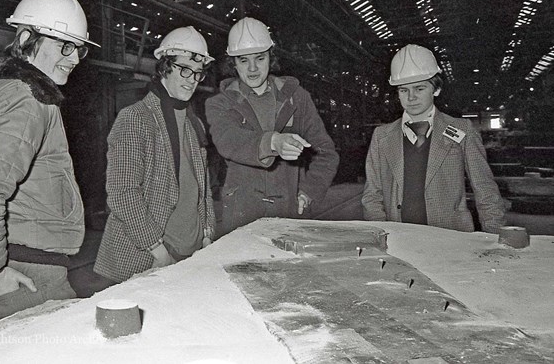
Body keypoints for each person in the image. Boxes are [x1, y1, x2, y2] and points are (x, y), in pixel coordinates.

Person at [0, 0, 99, 326]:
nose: (73, 58)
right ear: (27, 38)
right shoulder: (30, 100)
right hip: (28, 272)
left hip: (9, 261)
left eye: (78, 49)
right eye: (64, 46)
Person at [94, 26, 216, 284]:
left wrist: (207, 235)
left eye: (198, 73)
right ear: (165, 67)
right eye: (184, 69)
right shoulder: (135, 118)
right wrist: (158, 252)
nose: (192, 79)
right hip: (150, 256)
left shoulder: (195, 123)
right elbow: (122, 193)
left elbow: (202, 190)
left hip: (191, 253)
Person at [205, 17, 339, 238]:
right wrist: (273, 142)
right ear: (233, 63)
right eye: (243, 61)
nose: (253, 68)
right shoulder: (220, 103)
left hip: (289, 215)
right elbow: (228, 139)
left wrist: (309, 191)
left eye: (260, 58)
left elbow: (326, 152)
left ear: (270, 56)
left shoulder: (297, 98)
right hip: (241, 219)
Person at [362, 44, 505, 233]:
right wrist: (381, 234)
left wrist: (495, 235)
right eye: (404, 90)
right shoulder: (382, 136)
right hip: (398, 237)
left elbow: (485, 189)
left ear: (436, 89)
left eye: (419, 88)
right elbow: (372, 195)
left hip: (451, 237)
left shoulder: (462, 131)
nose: (411, 97)